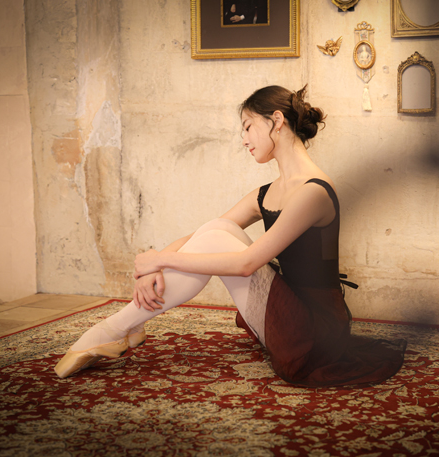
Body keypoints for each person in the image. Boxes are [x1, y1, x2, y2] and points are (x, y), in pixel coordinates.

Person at [55, 85, 406, 386]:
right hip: (288, 313)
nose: (244, 140)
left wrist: (158, 259)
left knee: (220, 237)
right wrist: (152, 267)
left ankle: (111, 330)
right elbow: (206, 233)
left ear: (277, 121)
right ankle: (126, 327)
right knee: (219, 229)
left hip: (315, 335)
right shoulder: (268, 192)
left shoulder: (313, 192)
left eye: (248, 127)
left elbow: (246, 264)